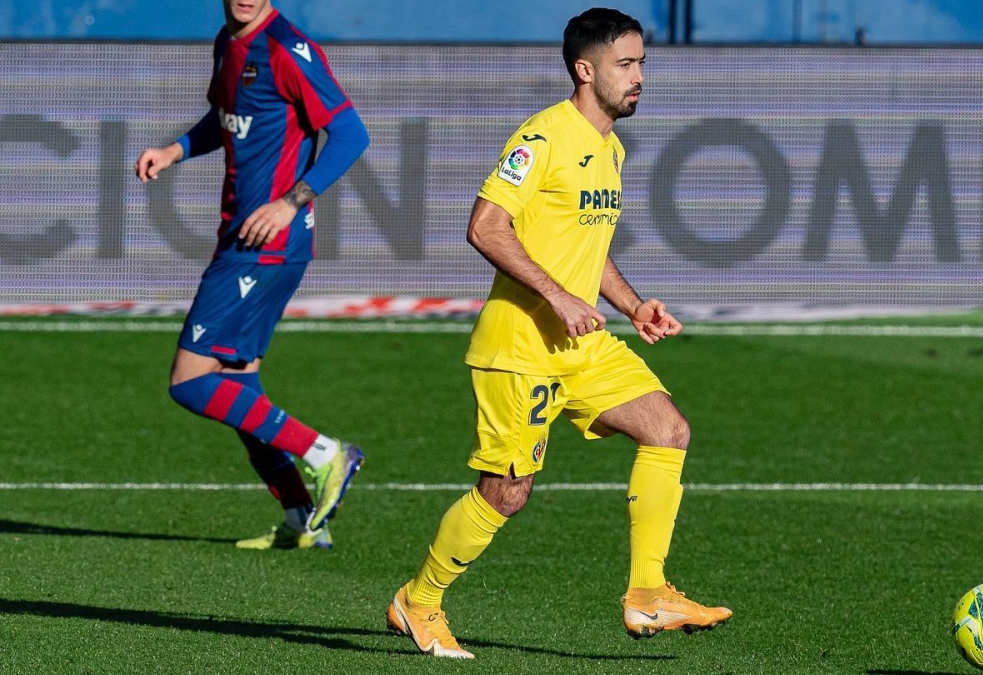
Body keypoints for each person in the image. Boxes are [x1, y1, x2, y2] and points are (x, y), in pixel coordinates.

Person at [384, 7, 731, 659]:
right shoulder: (542, 139)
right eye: (625, 65)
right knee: (506, 492)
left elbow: (587, 246)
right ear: (585, 69)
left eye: (642, 64)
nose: (638, 78)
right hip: (519, 347)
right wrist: (557, 294)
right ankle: (419, 599)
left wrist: (631, 305)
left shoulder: (611, 148)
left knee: (668, 428)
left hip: (583, 345)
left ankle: (648, 591)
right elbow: (486, 225)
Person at [135, 0, 367, 550]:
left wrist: (290, 202)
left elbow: (352, 135)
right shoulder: (229, 42)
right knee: (238, 384)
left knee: (191, 382)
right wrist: (176, 149)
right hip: (242, 239)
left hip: (265, 245)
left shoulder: (288, 49)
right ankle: (301, 520)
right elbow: (228, 123)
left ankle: (325, 453)